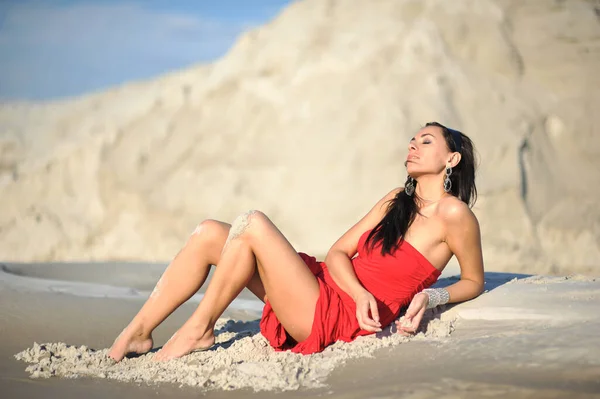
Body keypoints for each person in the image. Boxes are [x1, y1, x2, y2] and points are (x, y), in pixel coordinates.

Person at [108, 121, 484, 362]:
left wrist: (430, 296)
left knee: (253, 224)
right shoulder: (394, 201)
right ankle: (138, 332)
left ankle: (199, 328)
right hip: (326, 286)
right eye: (411, 140)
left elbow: (473, 280)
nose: (412, 147)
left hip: (336, 316)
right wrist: (358, 290)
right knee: (209, 232)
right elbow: (338, 251)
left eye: (425, 141)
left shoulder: (455, 215)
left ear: (451, 158)